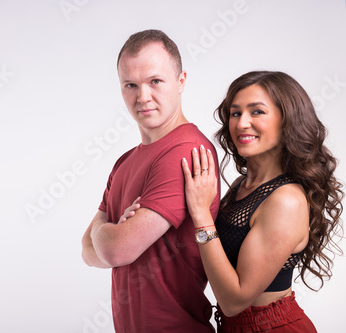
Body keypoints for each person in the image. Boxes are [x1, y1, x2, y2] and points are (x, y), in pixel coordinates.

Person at [123, 70, 344, 331]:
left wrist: (202, 215)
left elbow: (232, 301)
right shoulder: (242, 186)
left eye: (257, 112)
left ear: (287, 121)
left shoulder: (286, 200)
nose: (241, 124)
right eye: (236, 113)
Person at [81, 29, 220, 332]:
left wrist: (104, 232)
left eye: (155, 81)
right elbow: (86, 251)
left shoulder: (187, 152)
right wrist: (110, 237)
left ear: (181, 81)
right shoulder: (125, 161)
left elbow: (116, 251)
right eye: (131, 85)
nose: (143, 97)